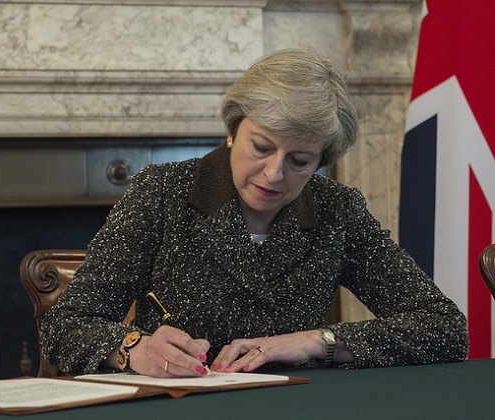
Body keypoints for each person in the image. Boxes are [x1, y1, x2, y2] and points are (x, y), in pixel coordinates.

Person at [40, 48, 468, 377]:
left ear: (320, 161)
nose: (273, 173)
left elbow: (445, 329)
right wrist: (133, 347)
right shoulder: (163, 192)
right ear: (232, 130)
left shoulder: (338, 211)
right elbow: (65, 326)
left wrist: (315, 342)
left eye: (299, 161)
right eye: (261, 147)